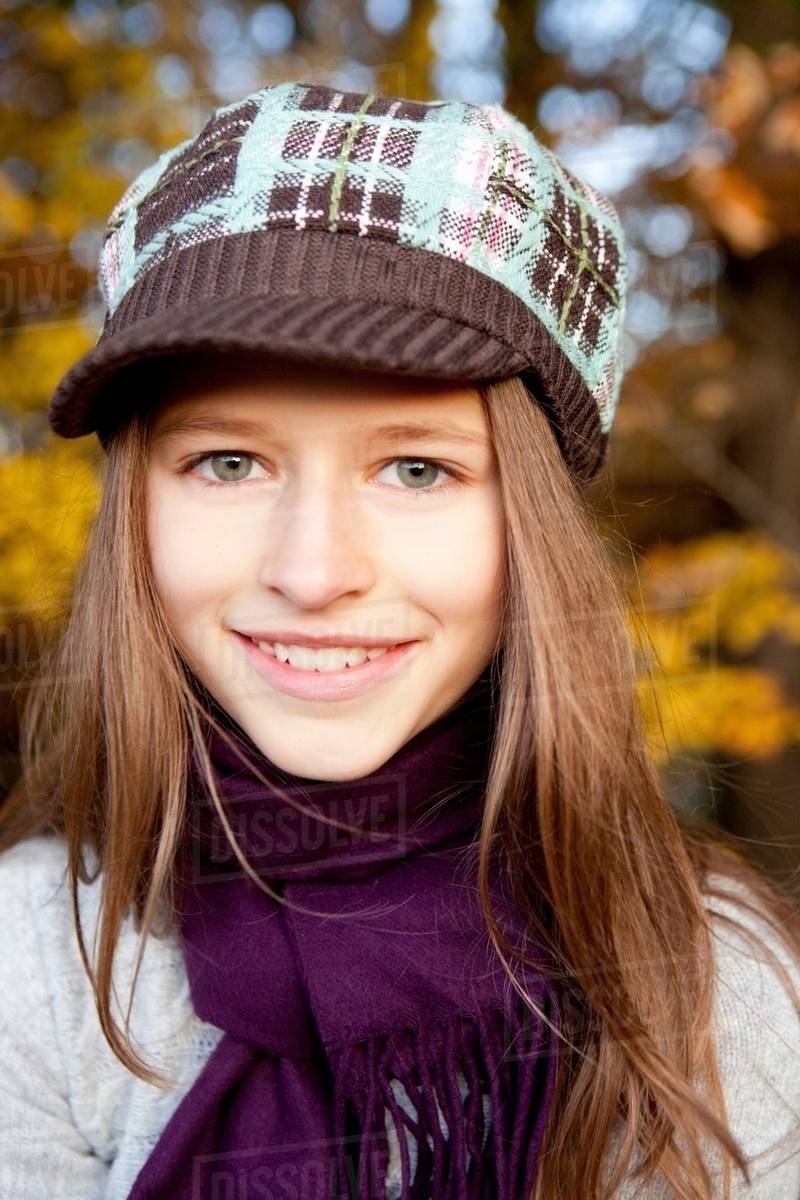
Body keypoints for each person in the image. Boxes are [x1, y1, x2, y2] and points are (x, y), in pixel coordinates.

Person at [0, 78, 798, 1200]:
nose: (313, 572)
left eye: (415, 469)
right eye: (226, 463)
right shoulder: (38, 953)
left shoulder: (704, 986)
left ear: (532, 527)